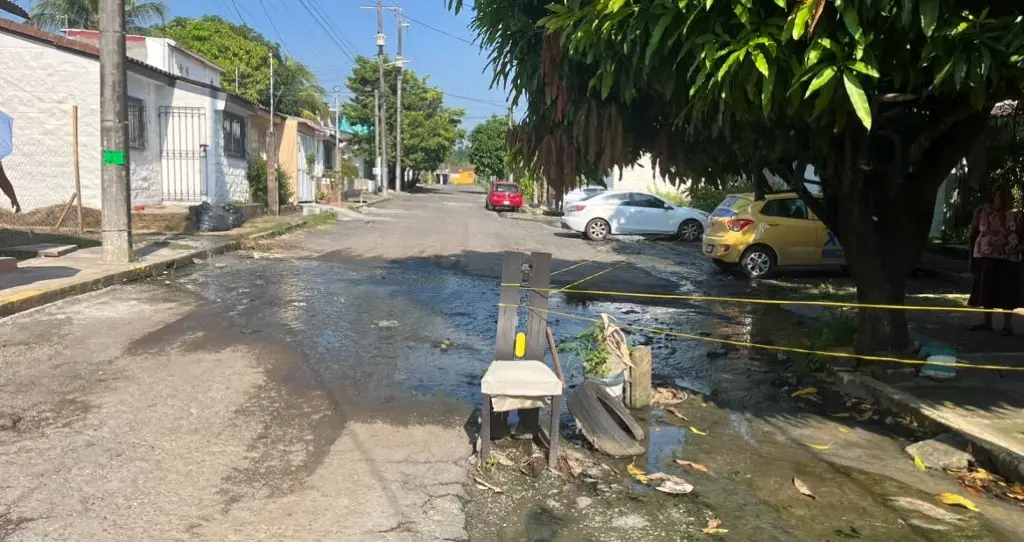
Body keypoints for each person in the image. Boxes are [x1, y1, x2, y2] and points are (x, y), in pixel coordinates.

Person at [968, 185, 1022, 336]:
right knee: (987, 288)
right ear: (994, 197)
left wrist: (1018, 248)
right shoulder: (982, 212)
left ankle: (1007, 325)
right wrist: (971, 257)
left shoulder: (1017, 215)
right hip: (986, 256)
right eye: (1000, 197)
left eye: (1007, 197)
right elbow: (973, 234)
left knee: (1008, 291)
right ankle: (987, 322)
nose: (1004, 201)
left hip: (1009, 258)